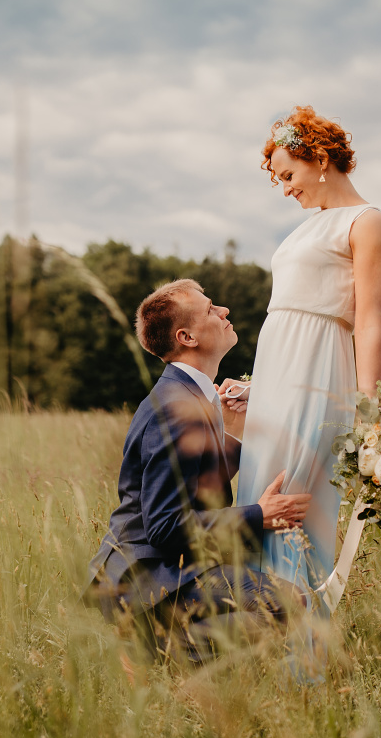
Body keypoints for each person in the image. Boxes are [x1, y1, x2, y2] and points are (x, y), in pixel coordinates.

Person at [223, 106, 381, 611]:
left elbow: (369, 320)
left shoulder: (368, 222)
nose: (284, 189)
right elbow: (289, 317)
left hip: (320, 372)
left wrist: (370, 409)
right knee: (260, 502)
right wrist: (262, 385)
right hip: (279, 376)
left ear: (319, 158)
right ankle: (252, 634)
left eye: (288, 175)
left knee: (291, 501)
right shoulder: (305, 228)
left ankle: (300, 651)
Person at [84, 279, 312, 663]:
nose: (223, 311)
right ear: (187, 336)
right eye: (210, 309)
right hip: (150, 576)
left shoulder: (189, 395)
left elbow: (195, 484)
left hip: (165, 565)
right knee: (283, 602)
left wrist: (232, 434)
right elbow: (164, 526)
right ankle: (159, 651)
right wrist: (261, 515)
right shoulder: (175, 408)